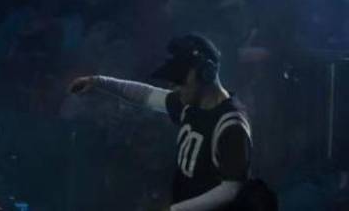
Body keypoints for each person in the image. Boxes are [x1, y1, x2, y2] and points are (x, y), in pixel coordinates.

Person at [68, 33, 257, 210]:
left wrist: (174, 209)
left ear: (206, 72)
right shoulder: (190, 105)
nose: (174, 84)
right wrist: (99, 82)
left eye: (181, 77)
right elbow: (146, 95)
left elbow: (232, 189)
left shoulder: (232, 125)